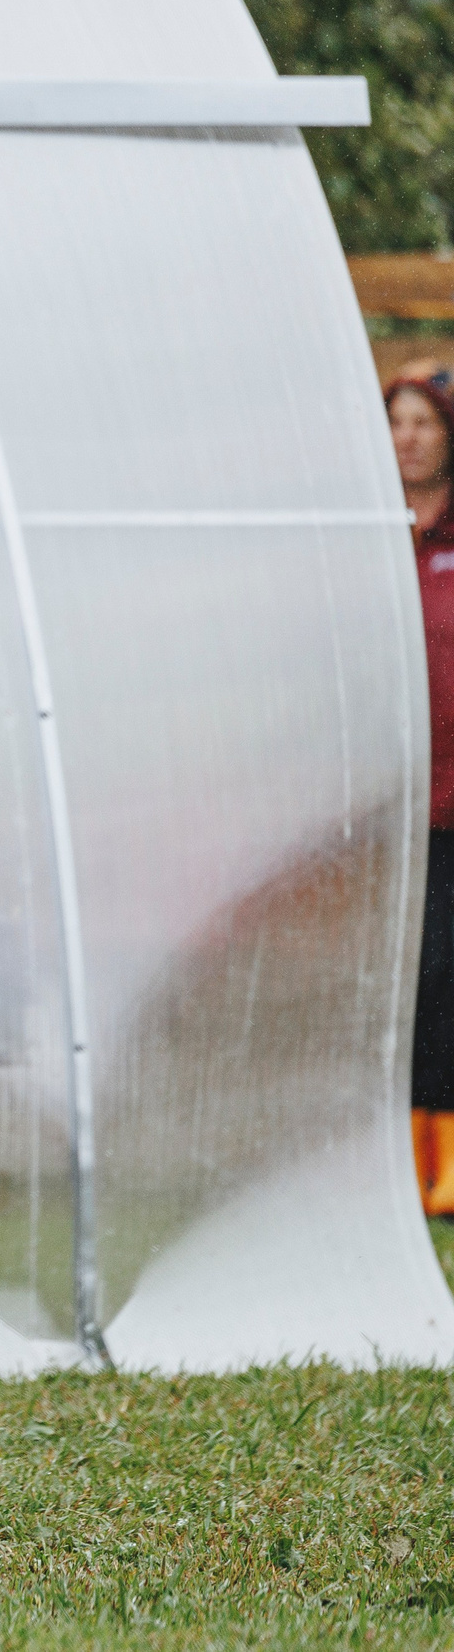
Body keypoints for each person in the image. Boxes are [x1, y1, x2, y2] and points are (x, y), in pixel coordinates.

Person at [392, 359, 454, 1217]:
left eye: (424, 423)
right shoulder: (368, 527)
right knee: (405, 980)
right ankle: (405, 1165)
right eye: (396, 423)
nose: (407, 439)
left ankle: (445, 1174)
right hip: (390, 805)